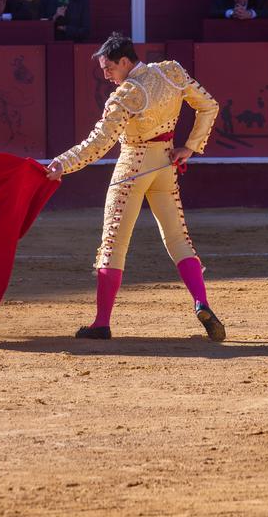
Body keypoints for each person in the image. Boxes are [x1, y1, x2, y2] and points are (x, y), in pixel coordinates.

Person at [44, 33, 225, 342]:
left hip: (132, 168)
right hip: (165, 165)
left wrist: (62, 163)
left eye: (109, 68)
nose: (106, 76)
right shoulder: (172, 72)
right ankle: (201, 302)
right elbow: (209, 106)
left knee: (113, 243)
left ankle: (102, 323)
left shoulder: (125, 95)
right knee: (178, 238)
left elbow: (98, 143)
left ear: (125, 61)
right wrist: (189, 148)